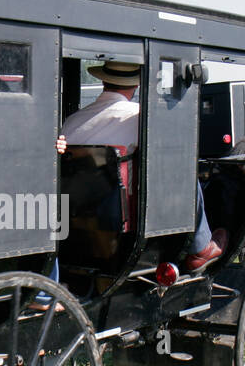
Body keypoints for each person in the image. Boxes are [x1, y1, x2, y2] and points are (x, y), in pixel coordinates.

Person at [56, 60, 226, 272]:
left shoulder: (72, 120)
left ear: (103, 81)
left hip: (73, 216)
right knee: (185, 171)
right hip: (120, 219)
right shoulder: (140, 116)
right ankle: (199, 248)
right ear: (136, 85)